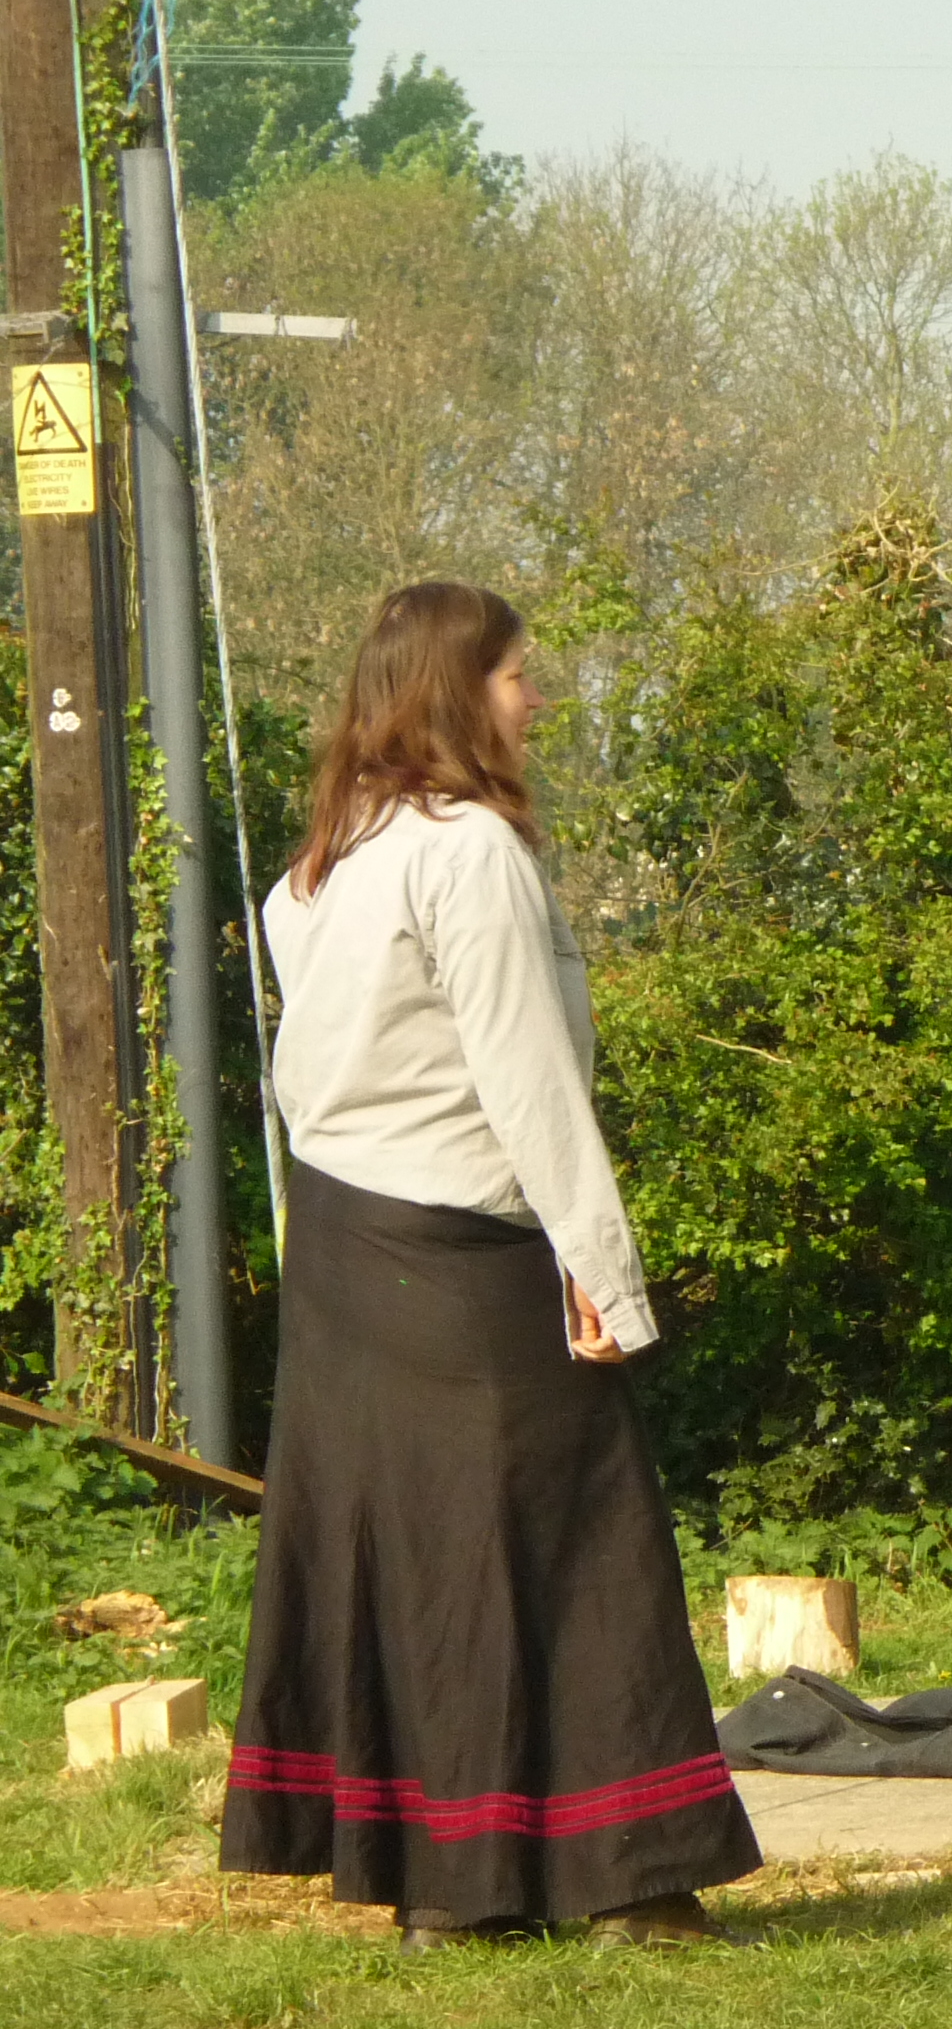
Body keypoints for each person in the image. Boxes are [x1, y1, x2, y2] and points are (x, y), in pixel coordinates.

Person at [222, 583, 759, 1950]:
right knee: (584, 1535)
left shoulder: (320, 865)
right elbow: (527, 1079)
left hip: (346, 1252)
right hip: (464, 1249)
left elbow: (307, 1085)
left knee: (422, 1560)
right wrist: (603, 1269)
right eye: (522, 675)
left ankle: (450, 1896)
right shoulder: (465, 851)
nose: (540, 698)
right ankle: (632, 1885)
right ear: (459, 692)